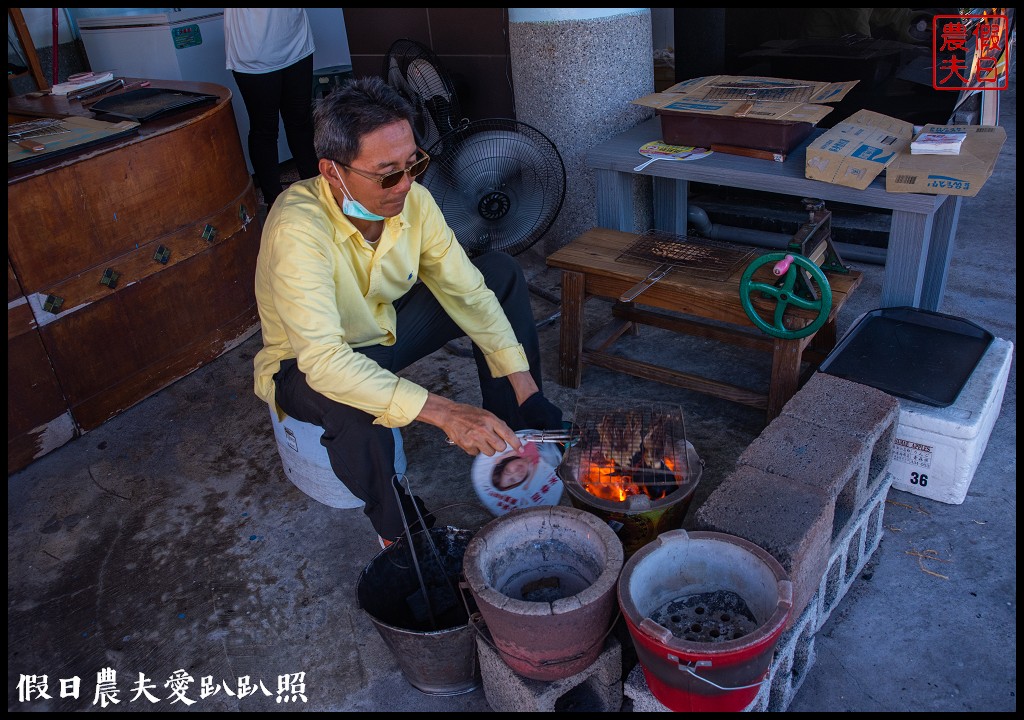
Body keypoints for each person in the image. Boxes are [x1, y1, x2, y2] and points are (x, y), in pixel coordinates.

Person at [252, 76, 564, 546]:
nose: (405, 184)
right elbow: (324, 361)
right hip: (305, 366)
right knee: (351, 401)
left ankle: (513, 439)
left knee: (497, 273)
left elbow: (467, 291)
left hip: (384, 333)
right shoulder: (298, 228)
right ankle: (402, 536)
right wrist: (446, 413)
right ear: (332, 171)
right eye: (386, 173)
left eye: (413, 163)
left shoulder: (415, 200)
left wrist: (525, 386)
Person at [224, 8, 321, 208]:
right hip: (253, 52)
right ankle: (274, 203)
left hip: (296, 41)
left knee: (301, 122)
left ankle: (318, 194)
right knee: (265, 130)